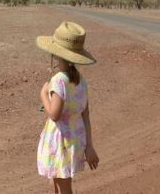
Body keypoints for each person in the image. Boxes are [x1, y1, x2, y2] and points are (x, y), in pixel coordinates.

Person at [36, 21, 99, 194]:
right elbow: (85, 114)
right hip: (75, 140)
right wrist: (89, 146)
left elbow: (54, 115)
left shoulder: (58, 80)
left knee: (64, 188)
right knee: (56, 183)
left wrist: (43, 94)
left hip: (60, 142)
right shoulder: (80, 80)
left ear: (56, 53)